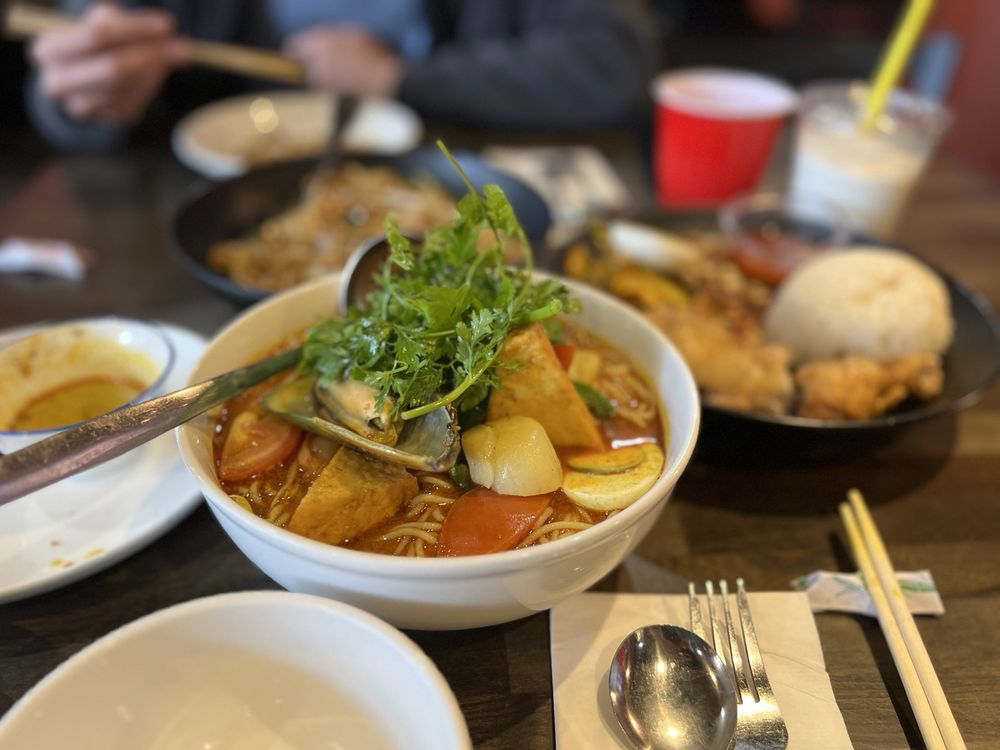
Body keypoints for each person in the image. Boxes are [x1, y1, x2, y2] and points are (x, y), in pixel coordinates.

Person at [27, 0, 664, 151]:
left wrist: (397, 76)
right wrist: (84, 97)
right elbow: (65, 69)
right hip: (197, 222)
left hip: (440, 189)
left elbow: (616, 63)